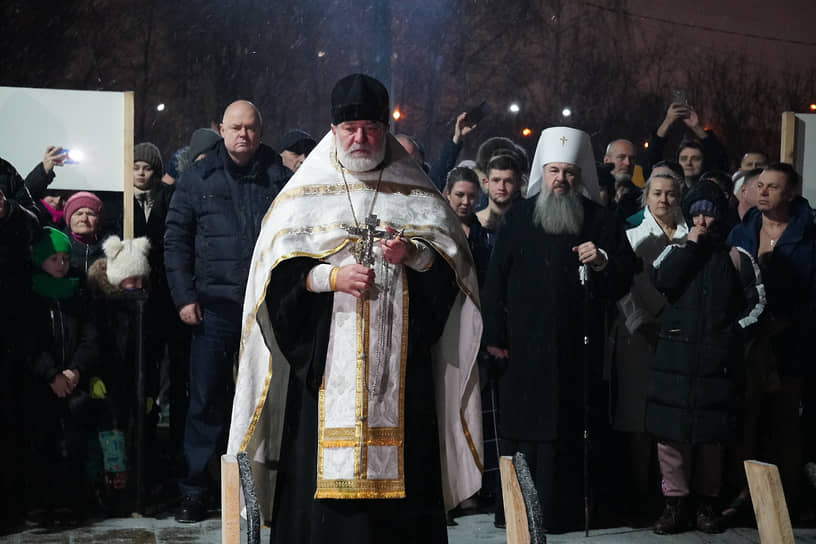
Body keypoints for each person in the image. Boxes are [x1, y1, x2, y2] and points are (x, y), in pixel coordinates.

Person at [226, 73, 482, 544]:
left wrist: (415, 255)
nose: (360, 138)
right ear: (332, 130)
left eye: (370, 128)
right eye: (350, 129)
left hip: (401, 376)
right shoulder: (302, 196)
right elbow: (274, 279)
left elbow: (453, 277)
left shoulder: (418, 195)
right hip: (324, 373)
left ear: (384, 129)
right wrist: (328, 278)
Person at [483, 126, 636, 531]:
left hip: (576, 350)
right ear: (542, 173)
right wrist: (495, 340)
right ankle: (518, 512)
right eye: (553, 171)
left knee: (571, 429)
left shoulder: (599, 220)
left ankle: (563, 513)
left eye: (568, 172)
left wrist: (602, 260)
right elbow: (495, 282)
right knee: (523, 430)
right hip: (522, 351)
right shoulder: (518, 216)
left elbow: (624, 277)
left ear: (579, 174)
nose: (561, 180)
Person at [165, 99, 291, 523]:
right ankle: (196, 491)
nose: (243, 135)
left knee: (268, 400)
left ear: (261, 129)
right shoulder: (197, 178)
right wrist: (184, 297)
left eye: (251, 128)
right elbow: (176, 239)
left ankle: (266, 488)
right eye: (235, 127)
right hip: (214, 311)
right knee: (206, 402)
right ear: (221, 129)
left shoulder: (280, 177)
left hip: (267, 309)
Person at [647, 180, 764, 535]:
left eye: (709, 215)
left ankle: (706, 503)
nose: (702, 221)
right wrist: (690, 249)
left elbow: (758, 304)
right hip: (675, 361)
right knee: (671, 439)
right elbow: (662, 281)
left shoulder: (737, 258)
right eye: (696, 213)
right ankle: (675, 503)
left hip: (718, 364)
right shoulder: (674, 250)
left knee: (711, 439)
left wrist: (733, 335)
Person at [726, 162, 816, 521]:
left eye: (772, 187)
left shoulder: (809, 237)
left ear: (790, 193)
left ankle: (787, 499)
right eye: (759, 185)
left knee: (785, 423)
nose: (762, 192)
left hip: (792, 344)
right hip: (749, 343)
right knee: (746, 421)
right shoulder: (741, 233)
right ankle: (743, 495)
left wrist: (790, 322)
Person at [610, 170, 688, 522]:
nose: (663, 200)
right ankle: (640, 491)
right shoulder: (630, 236)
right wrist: (641, 322)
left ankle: (671, 493)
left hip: (680, 334)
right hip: (637, 335)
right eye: (657, 193)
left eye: (671, 194)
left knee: (672, 416)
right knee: (638, 414)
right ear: (647, 197)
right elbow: (623, 286)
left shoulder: (691, 235)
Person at [23, 227, 100, 526]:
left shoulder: (76, 295)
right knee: (43, 443)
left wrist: (75, 369)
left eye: (65, 258)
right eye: (53, 258)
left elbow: (90, 336)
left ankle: (72, 501)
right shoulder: (31, 297)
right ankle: (42, 503)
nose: (61, 264)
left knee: (74, 443)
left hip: (72, 382)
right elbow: (29, 342)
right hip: (42, 386)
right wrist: (51, 374)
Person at [63, 191, 105, 281]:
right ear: (69, 219)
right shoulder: (58, 247)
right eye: (79, 214)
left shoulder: (109, 249)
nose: (84, 219)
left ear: (98, 219)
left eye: (90, 214)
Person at [475, 154, 524, 231]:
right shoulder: (471, 222)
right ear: (486, 183)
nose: (501, 187)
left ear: (518, 185)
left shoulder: (528, 224)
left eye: (508, 181)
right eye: (496, 180)